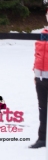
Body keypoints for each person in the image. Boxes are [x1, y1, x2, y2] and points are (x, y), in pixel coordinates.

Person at [30, 9, 48, 149]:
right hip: (41, 79)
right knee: (42, 110)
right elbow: (37, 56)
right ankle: (42, 139)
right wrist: (35, 75)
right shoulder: (41, 34)